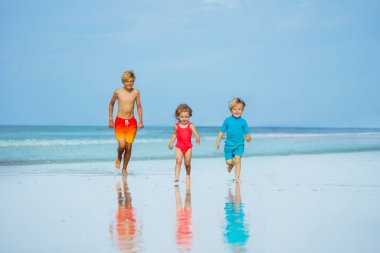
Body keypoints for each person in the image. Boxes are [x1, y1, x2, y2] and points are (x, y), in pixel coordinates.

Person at [109, 70, 143, 175]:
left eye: (131, 81)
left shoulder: (136, 92)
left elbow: (139, 106)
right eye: (127, 81)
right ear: (123, 81)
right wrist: (110, 119)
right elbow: (111, 104)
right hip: (120, 121)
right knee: (122, 145)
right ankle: (119, 157)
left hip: (132, 122)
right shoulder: (117, 92)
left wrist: (141, 120)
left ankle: (124, 169)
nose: (129, 83)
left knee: (128, 147)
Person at [216, 98, 251, 183]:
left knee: (238, 160)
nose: (237, 111)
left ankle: (237, 178)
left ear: (242, 110)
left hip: (239, 145)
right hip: (228, 146)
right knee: (229, 162)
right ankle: (230, 165)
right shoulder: (227, 120)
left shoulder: (243, 122)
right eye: (234, 109)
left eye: (239, 109)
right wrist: (218, 140)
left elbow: (247, 133)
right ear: (231, 110)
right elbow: (222, 131)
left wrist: (248, 138)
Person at [169, 104, 200, 182]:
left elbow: (195, 133)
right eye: (182, 117)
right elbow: (175, 134)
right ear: (178, 116)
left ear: (189, 116)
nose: (184, 119)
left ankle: (188, 174)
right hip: (179, 147)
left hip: (188, 147)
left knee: (187, 163)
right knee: (178, 162)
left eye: (186, 117)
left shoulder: (191, 125)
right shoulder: (176, 126)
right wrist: (171, 142)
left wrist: (197, 138)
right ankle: (176, 177)